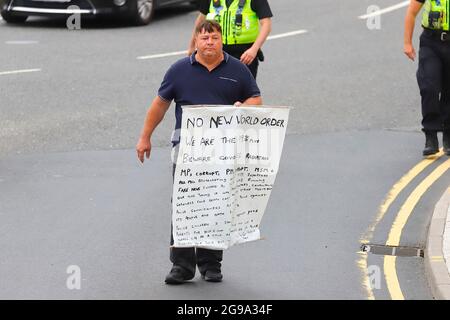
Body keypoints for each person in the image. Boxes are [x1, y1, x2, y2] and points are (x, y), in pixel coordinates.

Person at [136, 20, 262, 285]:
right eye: (204, 38)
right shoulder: (179, 70)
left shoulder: (238, 69)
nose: (209, 42)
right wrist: (144, 137)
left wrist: (242, 105)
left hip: (223, 149)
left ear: (221, 41)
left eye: (214, 38)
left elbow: (256, 99)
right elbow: (159, 105)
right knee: (185, 204)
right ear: (195, 41)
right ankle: (181, 266)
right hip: (187, 148)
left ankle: (211, 264)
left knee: (216, 202)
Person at [404, 0, 450, 156]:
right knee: (429, 86)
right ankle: (430, 136)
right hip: (431, 42)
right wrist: (407, 43)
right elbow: (411, 12)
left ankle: (448, 135)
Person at [188, 0, 273, 79]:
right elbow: (200, 21)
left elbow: (266, 24)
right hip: (217, 53)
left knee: (244, 91)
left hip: (244, 55)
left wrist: (254, 49)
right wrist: (192, 45)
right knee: (216, 90)